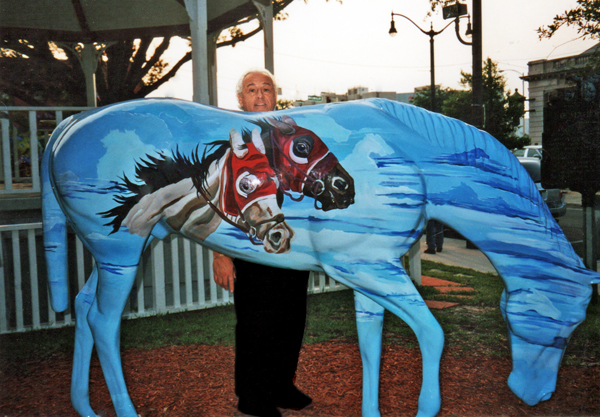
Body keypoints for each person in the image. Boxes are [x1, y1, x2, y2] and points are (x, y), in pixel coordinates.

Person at [212, 68, 312, 417]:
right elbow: (218, 199)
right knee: (256, 323)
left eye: (266, 89)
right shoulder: (228, 137)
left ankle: (281, 385)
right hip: (247, 246)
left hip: (290, 244)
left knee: (292, 319)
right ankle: (253, 397)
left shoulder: (287, 135)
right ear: (240, 99)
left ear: (275, 94)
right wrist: (220, 254)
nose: (259, 96)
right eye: (251, 90)